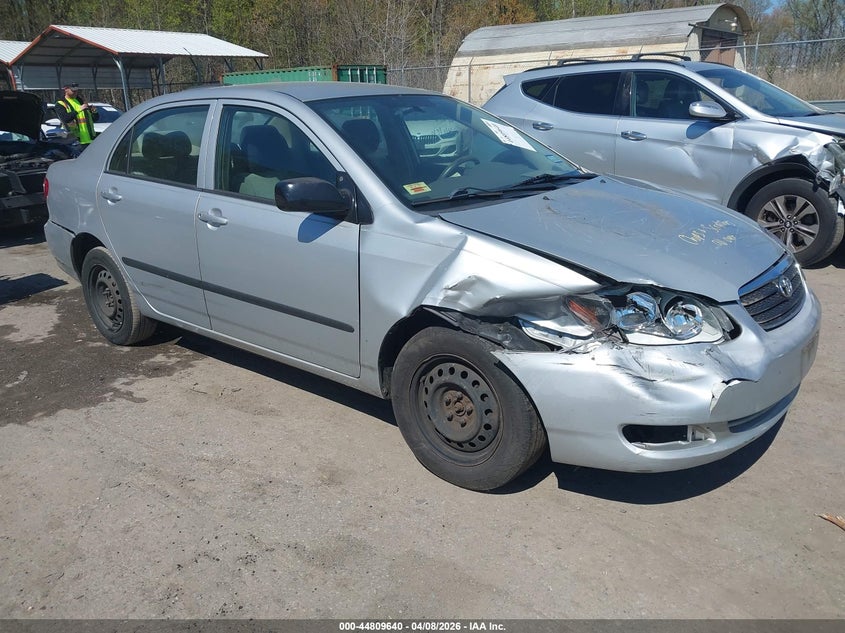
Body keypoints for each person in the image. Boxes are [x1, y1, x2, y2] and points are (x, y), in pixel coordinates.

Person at [55, 83, 99, 147]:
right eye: (73, 91)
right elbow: (65, 119)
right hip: (75, 142)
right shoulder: (61, 104)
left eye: (76, 90)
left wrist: (94, 112)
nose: (75, 92)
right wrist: (78, 110)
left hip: (91, 140)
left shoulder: (81, 101)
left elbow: (93, 119)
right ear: (66, 89)